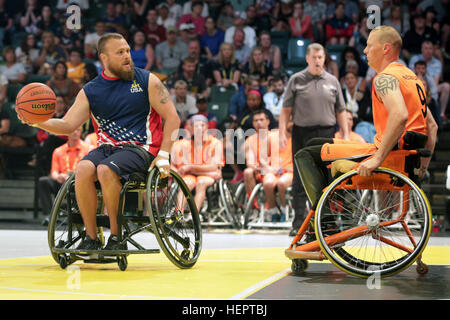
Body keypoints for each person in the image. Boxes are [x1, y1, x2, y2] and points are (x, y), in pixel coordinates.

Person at [19, 33, 181, 251]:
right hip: (107, 148)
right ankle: (92, 238)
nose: (127, 57)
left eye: (128, 51)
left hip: (142, 148)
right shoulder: (91, 90)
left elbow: (173, 118)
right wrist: (37, 122)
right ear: (104, 58)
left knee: (105, 170)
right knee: (83, 168)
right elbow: (67, 125)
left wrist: (164, 154)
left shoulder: (147, 81)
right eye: (120, 52)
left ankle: (116, 237)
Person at [292, 26, 438, 240]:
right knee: (316, 143)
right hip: (407, 160)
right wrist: (422, 165)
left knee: (304, 155)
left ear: (385, 48)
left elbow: (400, 115)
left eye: (369, 46)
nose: (365, 51)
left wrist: (378, 158)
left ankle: (324, 222)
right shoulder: (412, 77)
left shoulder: (384, 78)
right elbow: (431, 126)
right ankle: (329, 213)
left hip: (388, 157)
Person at [279, 42, 349, 236]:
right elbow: (285, 110)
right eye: (314, 58)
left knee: (327, 178)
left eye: (321, 57)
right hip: (302, 133)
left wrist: (346, 133)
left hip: (326, 133)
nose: (318, 61)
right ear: (307, 58)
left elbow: (341, 110)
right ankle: (298, 222)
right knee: (300, 179)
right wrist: (281, 132)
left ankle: (325, 222)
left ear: (324, 58)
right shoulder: (296, 79)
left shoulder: (333, 81)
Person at [244, 109, 293, 222]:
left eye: (261, 120)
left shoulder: (274, 135)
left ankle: (283, 209)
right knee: (248, 172)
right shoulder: (250, 140)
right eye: (256, 120)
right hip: (262, 171)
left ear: (268, 121)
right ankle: (255, 208)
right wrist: (262, 167)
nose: (259, 123)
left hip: (279, 170)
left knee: (275, 180)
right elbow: (251, 162)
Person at [171, 114, 223, 212]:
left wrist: (190, 168)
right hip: (192, 175)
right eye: (196, 126)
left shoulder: (216, 143)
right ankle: (179, 212)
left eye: (202, 125)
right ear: (191, 128)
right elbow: (174, 165)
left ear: (207, 127)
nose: (199, 128)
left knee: (201, 182)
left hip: (206, 176)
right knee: (186, 183)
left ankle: (194, 214)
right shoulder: (182, 144)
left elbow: (212, 167)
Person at [38, 127, 90, 225]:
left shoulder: (88, 148)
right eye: (72, 129)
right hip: (62, 182)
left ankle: (82, 214)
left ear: (81, 132)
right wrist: (58, 176)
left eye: (78, 130)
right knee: (43, 181)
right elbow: (53, 172)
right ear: (67, 132)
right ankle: (50, 215)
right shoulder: (58, 150)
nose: (75, 132)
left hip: (79, 182)